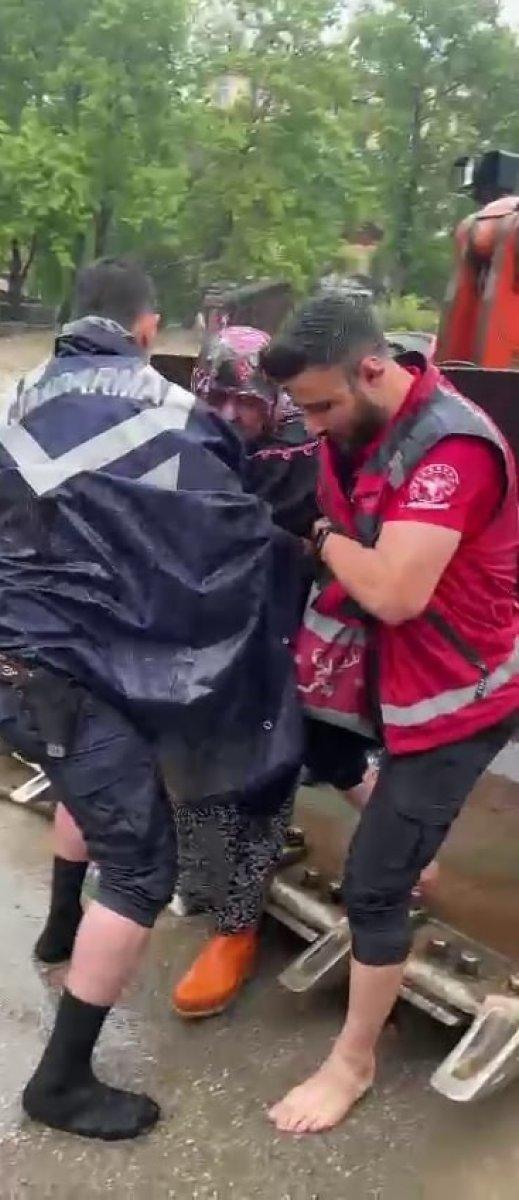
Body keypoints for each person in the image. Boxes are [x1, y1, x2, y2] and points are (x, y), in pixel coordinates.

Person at [0, 258, 303, 1141]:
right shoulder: (170, 411)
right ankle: (59, 1082)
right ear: (150, 328)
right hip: (58, 666)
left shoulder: (12, 396)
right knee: (142, 866)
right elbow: (221, 534)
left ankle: (61, 930)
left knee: (92, 777)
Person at [260, 293, 519, 1134]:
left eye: (322, 404)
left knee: (370, 883)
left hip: (460, 696)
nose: (313, 424)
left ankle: (351, 1061)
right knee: (310, 756)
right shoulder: (359, 425)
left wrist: (316, 537)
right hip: (389, 674)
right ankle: (417, 859)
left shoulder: (450, 449)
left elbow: (396, 592)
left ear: (374, 368)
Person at [171, 326, 377, 1019]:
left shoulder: (305, 448)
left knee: (268, 775)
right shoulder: (187, 438)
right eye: (219, 398)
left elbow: (333, 540)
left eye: (246, 401)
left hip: (286, 630)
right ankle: (202, 890)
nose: (232, 414)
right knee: (192, 765)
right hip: (205, 629)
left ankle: (236, 928)